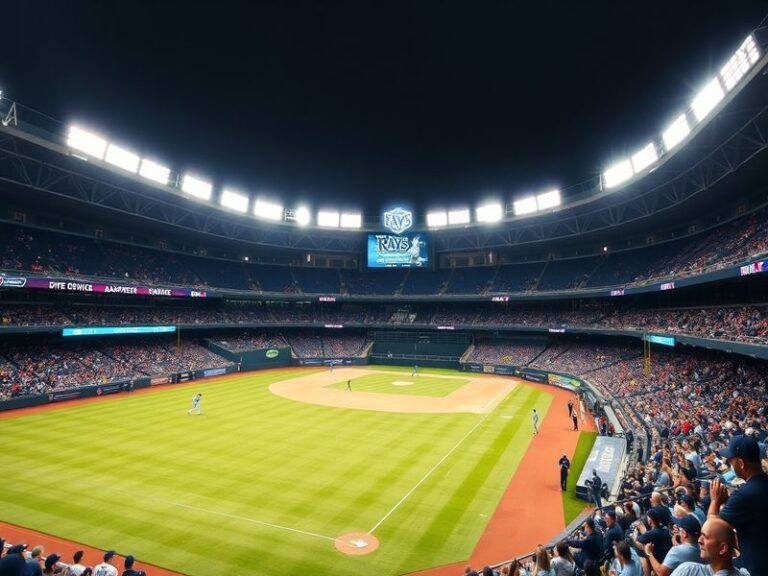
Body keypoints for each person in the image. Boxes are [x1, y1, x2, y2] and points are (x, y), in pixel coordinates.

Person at [707, 434, 768, 576]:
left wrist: (715, 501)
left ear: (740, 463)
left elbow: (711, 531)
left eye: (731, 460)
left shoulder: (742, 495)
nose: (730, 464)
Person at [670, 518, 749, 575]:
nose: (699, 540)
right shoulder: (744, 573)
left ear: (722, 548)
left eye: (705, 537)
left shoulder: (688, 571)